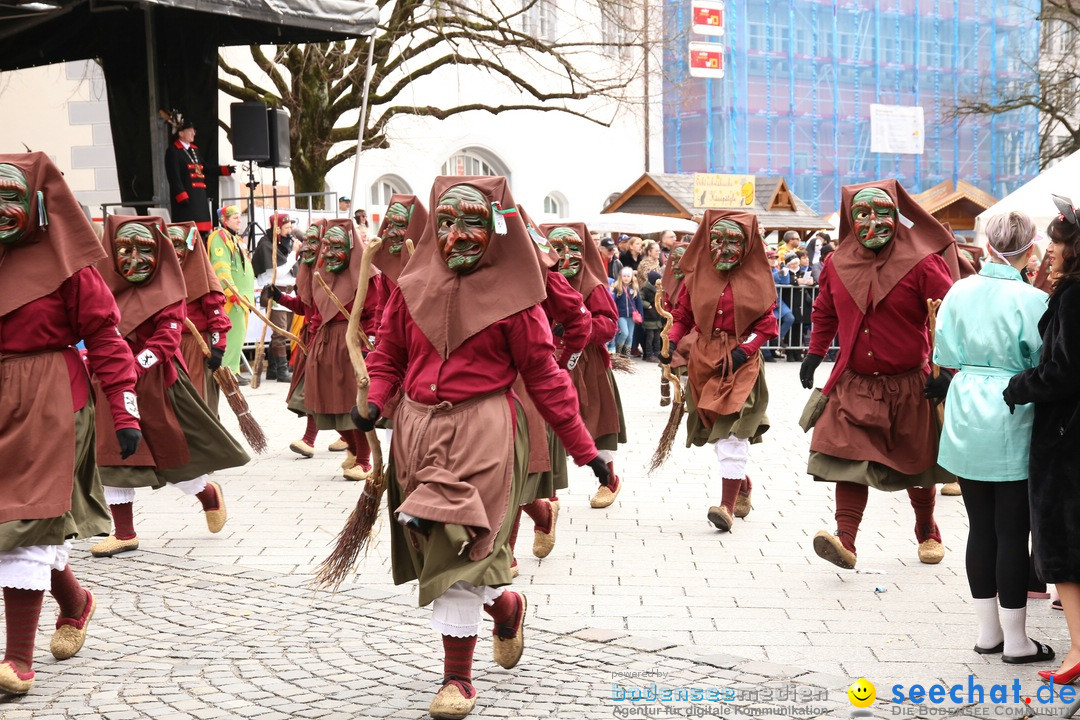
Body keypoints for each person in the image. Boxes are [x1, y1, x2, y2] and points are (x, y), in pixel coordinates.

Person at [353, 177, 608, 718]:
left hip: (485, 434)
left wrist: (588, 452)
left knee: (460, 546)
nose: (455, 235)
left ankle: (457, 681)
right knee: (438, 551)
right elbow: (390, 355)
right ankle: (505, 602)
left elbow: (544, 375)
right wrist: (375, 401)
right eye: (445, 222)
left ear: (496, 226)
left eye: (471, 220)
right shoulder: (410, 285)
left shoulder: (518, 301)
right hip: (416, 433)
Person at [0, 153, 141, 695]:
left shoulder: (73, 270)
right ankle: (77, 603)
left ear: (37, 204)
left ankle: (16, 660)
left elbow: (106, 336)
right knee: (9, 521)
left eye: (10, 196)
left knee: (30, 519)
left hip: (51, 399)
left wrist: (123, 408)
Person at [800, 180, 958, 570]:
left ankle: (927, 529)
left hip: (912, 383)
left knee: (919, 463)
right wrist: (814, 353)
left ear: (897, 215)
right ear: (850, 220)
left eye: (882, 211)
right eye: (862, 213)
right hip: (855, 382)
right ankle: (845, 541)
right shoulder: (837, 263)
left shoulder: (923, 262)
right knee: (848, 457)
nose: (873, 221)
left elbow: (953, 316)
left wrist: (949, 371)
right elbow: (825, 311)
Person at [932, 211, 1053, 665]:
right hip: (1014, 405)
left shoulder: (958, 290)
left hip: (966, 405)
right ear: (1029, 250)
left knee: (979, 526)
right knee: (1012, 530)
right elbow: (1044, 362)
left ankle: (988, 633)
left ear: (986, 247)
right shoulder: (1033, 299)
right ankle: (1018, 640)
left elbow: (944, 354)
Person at [90, 216, 250, 558]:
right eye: (124, 250)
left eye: (144, 249)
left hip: (157, 381)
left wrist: (133, 367)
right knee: (112, 452)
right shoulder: (102, 289)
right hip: (111, 380)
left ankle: (207, 494)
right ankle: (125, 532)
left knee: (171, 458)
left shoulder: (171, 290)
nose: (133, 258)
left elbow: (167, 338)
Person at [661, 210, 777, 531]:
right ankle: (741, 484)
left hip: (741, 363)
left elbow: (767, 325)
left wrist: (745, 350)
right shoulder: (696, 276)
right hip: (704, 362)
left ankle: (725, 507)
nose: (723, 248)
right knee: (717, 433)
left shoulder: (757, 278)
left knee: (732, 430)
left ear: (747, 245)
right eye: (716, 240)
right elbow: (683, 315)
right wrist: (671, 341)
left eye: (733, 241)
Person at [1004, 197, 1080, 684]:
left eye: (1058, 241)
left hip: (1067, 437)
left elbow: (1065, 371)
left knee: (1065, 549)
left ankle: (1079, 652)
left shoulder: (1074, 296)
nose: (1050, 250)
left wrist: (1020, 385)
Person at [540, 222, 627, 509]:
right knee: (543, 428)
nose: (566, 254)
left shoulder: (593, 285)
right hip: (544, 363)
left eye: (574, 248)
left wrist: (580, 327)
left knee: (596, 424)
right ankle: (546, 493)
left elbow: (610, 324)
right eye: (559, 248)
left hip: (587, 365)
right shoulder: (534, 280)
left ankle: (608, 480)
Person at [305, 218, 381, 481]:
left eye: (335, 246)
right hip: (325, 344)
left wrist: (367, 346)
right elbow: (317, 312)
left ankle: (364, 460)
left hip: (352, 345)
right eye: (325, 246)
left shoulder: (367, 276)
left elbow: (374, 314)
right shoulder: (322, 275)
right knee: (326, 405)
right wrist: (314, 343)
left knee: (353, 404)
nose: (326, 253)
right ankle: (351, 447)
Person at [271, 220, 325, 458]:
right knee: (317, 392)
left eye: (314, 241)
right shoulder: (309, 270)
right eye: (307, 241)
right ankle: (340, 439)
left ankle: (311, 439)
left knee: (322, 393)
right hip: (311, 340)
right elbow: (304, 306)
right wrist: (279, 297)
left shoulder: (332, 271)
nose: (307, 246)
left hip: (330, 342)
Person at [168, 221, 231, 416]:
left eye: (177, 245)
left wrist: (217, 348)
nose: (172, 251)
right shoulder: (161, 277)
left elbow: (217, 317)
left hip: (195, 347)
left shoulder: (203, 279)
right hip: (168, 346)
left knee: (199, 402)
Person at [163, 111, 231, 236]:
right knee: (188, 233)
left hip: (199, 198)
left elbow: (204, 168)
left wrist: (224, 170)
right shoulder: (173, 151)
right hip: (186, 201)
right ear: (181, 133)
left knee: (203, 233)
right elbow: (174, 177)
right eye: (190, 130)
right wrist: (181, 195)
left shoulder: (195, 150)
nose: (194, 133)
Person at [207, 206, 255, 384]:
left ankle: (232, 369)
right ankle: (227, 371)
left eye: (239, 217)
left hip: (243, 297)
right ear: (224, 220)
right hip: (232, 297)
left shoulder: (236, 238)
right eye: (235, 217)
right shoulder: (219, 237)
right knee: (232, 332)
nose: (239, 220)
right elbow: (220, 267)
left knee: (239, 333)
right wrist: (231, 292)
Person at [253, 213, 298, 383]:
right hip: (275, 293)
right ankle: (281, 370)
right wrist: (294, 254)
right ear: (277, 229)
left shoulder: (286, 243)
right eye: (286, 228)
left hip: (289, 293)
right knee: (279, 333)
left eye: (290, 227)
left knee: (284, 332)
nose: (290, 231)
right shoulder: (266, 245)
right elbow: (277, 273)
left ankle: (272, 369)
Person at [612, 267, 642, 357]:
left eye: (628, 276)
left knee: (630, 336)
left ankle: (626, 355)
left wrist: (641, 315)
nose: (626, 278)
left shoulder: (634, 288)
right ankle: (618, 351)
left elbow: (638, 303)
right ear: (621, 277)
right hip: (621, 315)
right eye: (624, 276)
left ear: (631, 277)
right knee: (624, 333)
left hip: (632, 316)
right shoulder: (618, 288)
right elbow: (614, 302)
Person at [640, 270, 664, 362]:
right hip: (649, 317)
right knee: (650, 337)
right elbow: (640, 299)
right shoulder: (645, 289)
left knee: (657, 337)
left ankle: (657, 353)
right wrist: (647, 305)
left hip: (657, 317)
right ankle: (649, 354)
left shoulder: (659, 289)